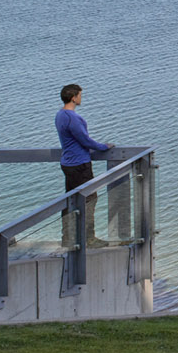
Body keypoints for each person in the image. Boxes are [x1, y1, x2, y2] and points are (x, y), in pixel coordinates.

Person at [55, 84, 112, 245]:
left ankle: (67, 238)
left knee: (71, 200)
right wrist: (103, 147)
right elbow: (84, 140)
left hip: (68, 163)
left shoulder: (60, 115)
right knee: (89, 199)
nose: (81, 97)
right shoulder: (73, 118)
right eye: (80, 95)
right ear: (73, 97)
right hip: (79, 164)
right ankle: (88, 238)